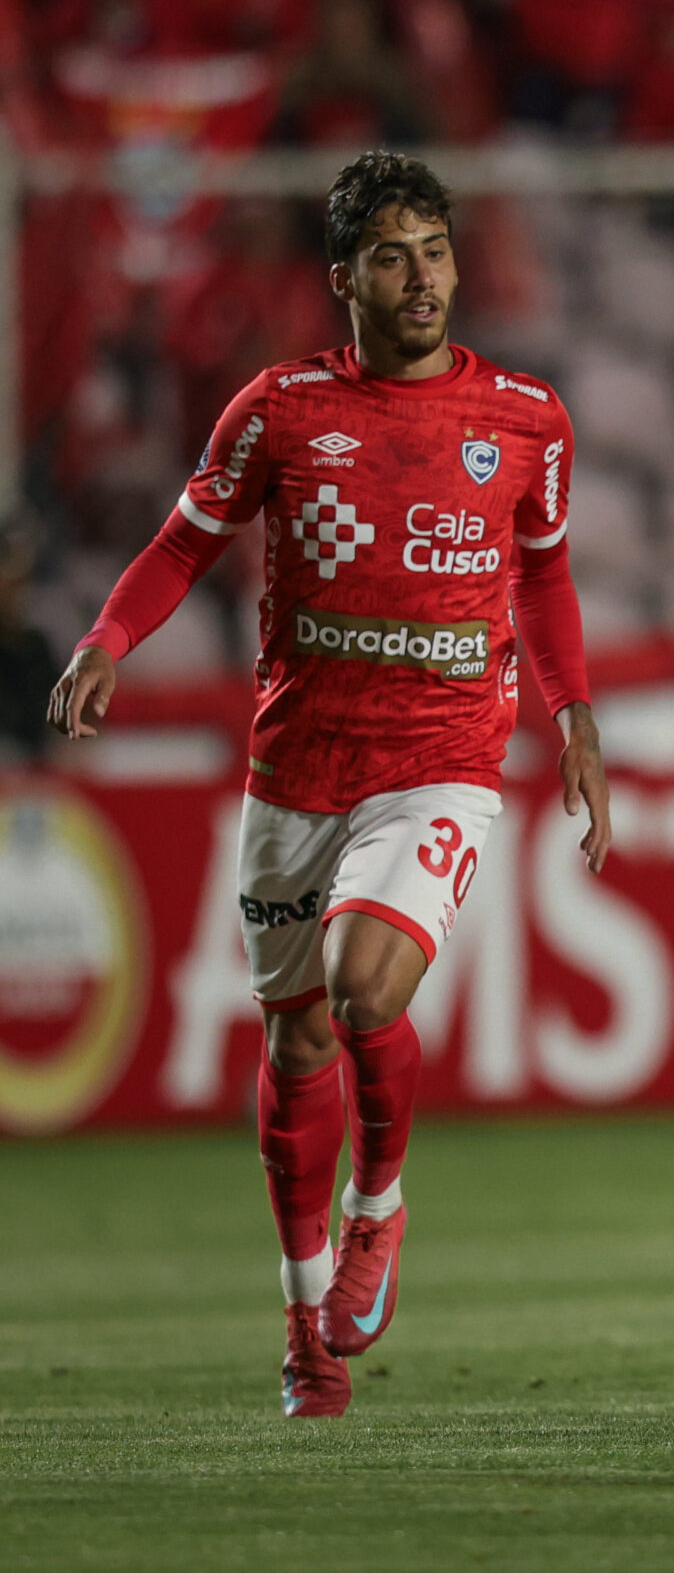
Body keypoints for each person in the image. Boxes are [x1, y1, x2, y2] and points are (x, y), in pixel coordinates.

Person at [46, 151, 611, 1419]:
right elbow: (185, 538)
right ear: (343, 275)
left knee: (364, 988)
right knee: (296, 1033)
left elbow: (547, 577)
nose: (424, 279)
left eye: (438, 251)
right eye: (395, 256)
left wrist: (573, 713)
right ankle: (304, 1326)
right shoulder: (278, 410)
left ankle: (381, 1207)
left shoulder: (525, 417)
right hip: (298, 767)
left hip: (445, 760)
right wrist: (106, 639)